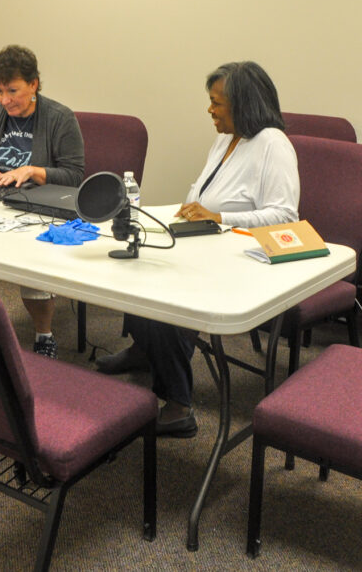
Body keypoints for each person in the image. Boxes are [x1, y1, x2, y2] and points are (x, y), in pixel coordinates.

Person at [96, 61, 299, 437]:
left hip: (241, 258)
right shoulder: (225, 138)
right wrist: (192, 211)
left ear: (244, 104)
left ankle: (178, 404)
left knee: (170, 297)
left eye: (217, 103)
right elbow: (202, 194)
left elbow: (285, 217)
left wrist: (218, 217)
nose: (210, 110)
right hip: (207, 243)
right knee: (138, 262)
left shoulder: (273, 143)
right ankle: (144, 349)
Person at [0, 45, 85, 359]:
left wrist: (33, 171)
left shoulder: (60, 118)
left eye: (13, 90)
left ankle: (44, 335)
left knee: (28, 261)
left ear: (34, 84)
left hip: (36, 207)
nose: (5, 100)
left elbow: (76, 176)